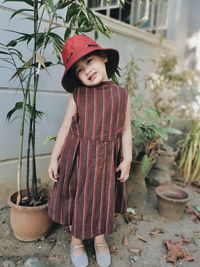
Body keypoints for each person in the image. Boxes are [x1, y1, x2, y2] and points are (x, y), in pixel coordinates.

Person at [48, 35, 132, 267]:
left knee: (103, 199)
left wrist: (127, 158)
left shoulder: (122, 95)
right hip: (79, 159)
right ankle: (76, 240)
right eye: (79, 70)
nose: (86, 71)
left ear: (104, 58)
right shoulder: (79, 95)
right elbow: (65, 127)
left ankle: (100, 238)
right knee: (79, 198)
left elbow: (125, 131)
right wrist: (54, 159)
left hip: (106, 159)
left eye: (90, 61)